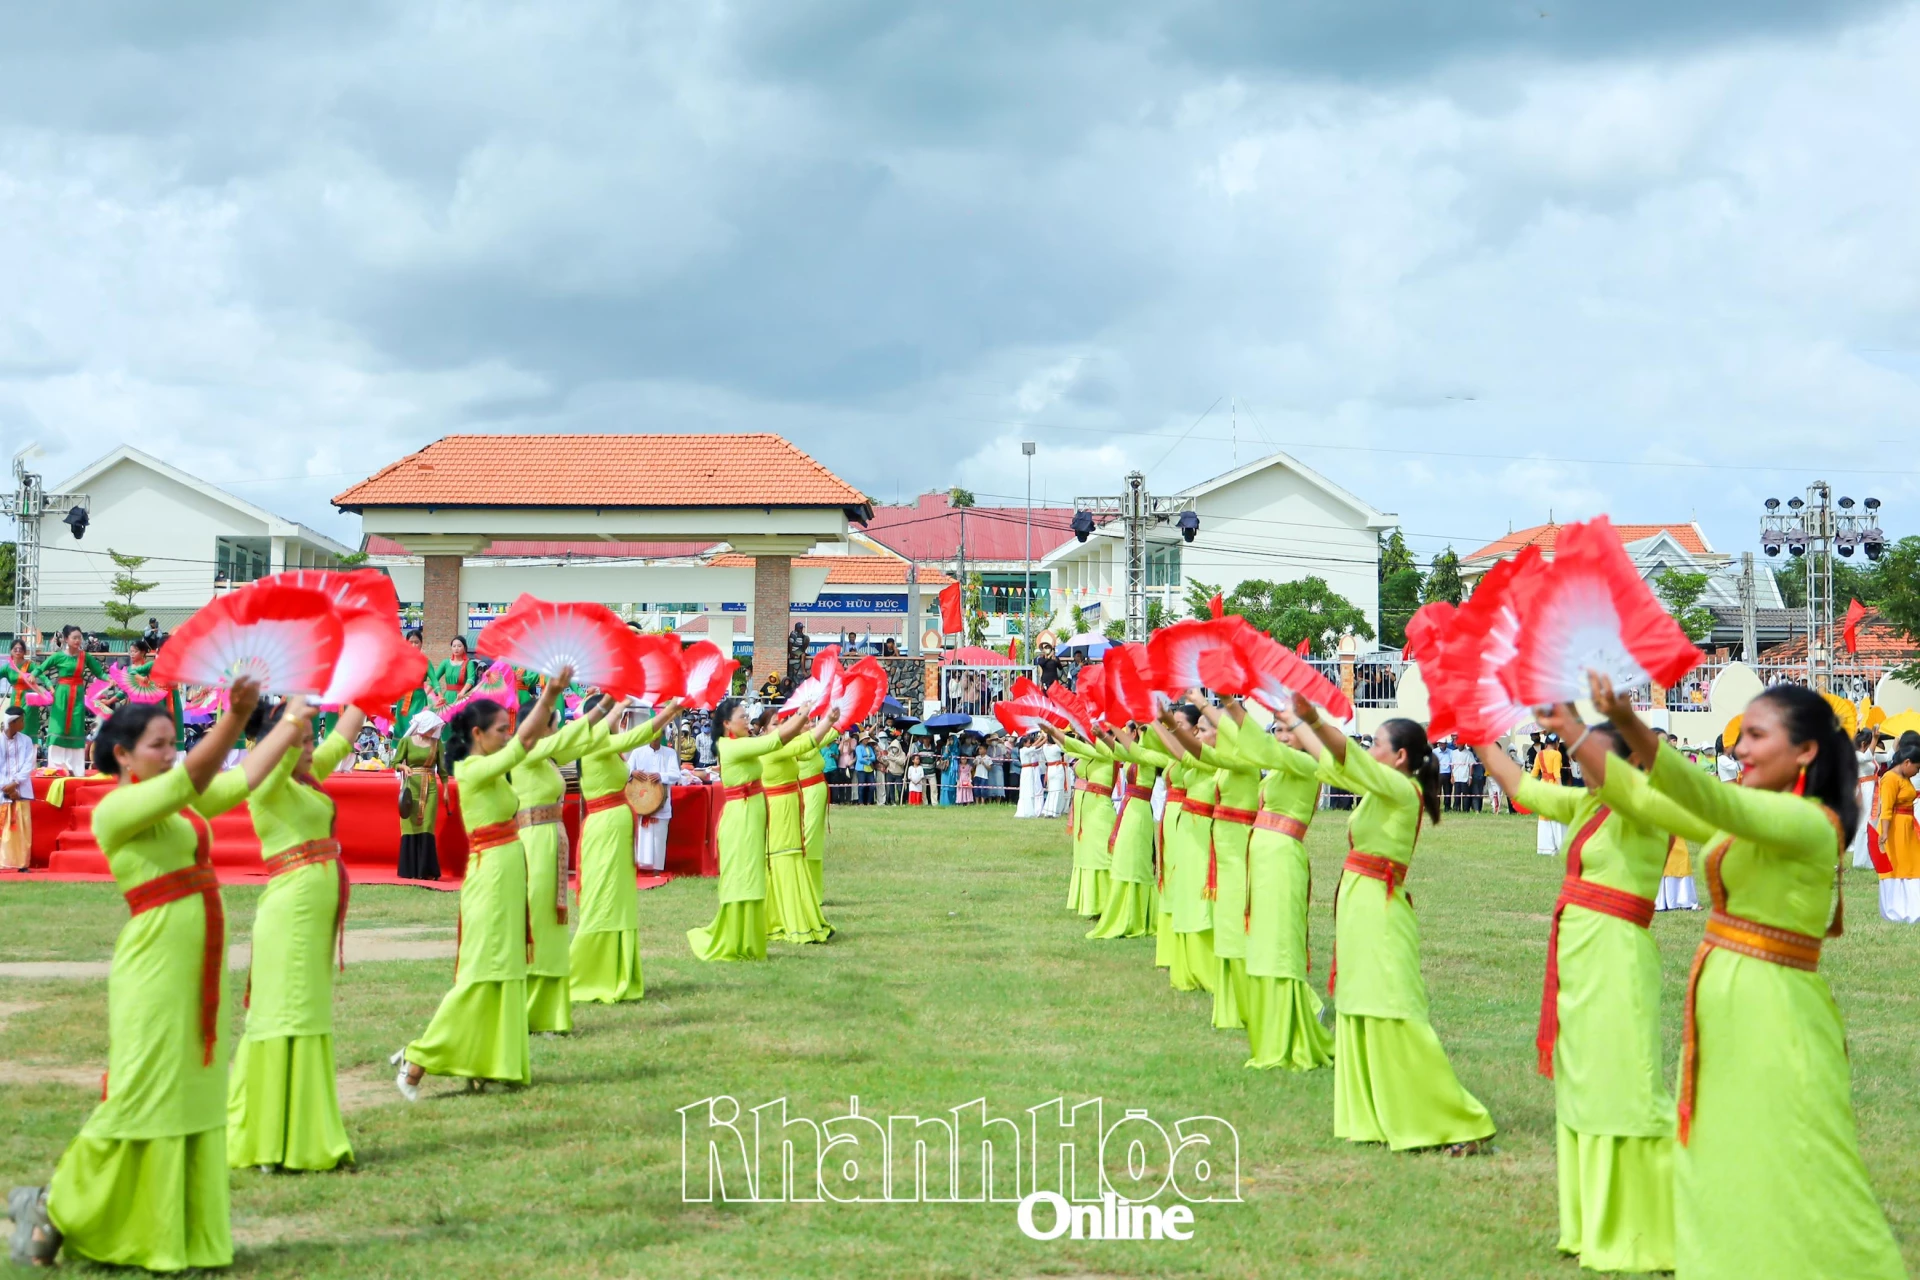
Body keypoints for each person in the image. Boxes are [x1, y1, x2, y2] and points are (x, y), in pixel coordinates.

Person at [1590, 674, 1905, 1280]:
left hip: (1778, 1015)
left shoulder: (1809, 823)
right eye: (1741, 737)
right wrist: (1580, 731)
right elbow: (1652, 802)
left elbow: (1716, 802)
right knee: (1721, 1155)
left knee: (1802, 1160)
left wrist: (1631, 726)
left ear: (1805, 750)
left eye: (1756, 736)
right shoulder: (1752, 818)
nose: (1740, 749)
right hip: (1729, 1011)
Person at [6, 677, 304, 1270]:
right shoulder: (118, 807)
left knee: (193, 1098)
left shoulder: (177, 800)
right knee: (141, 1096)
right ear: (121, 753)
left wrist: (295, 716)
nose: (170, 754)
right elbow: (194, 777)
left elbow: (244, 778)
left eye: (174, 743)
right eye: (158, 745)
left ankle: (176, 1231)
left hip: (197, 970)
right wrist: (235, 716)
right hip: (153, 968)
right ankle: (51, 1202)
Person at [1475, 704, 1704, 1273]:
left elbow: (1629, 788)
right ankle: (1593, 1222)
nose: (1577, 762)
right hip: (1579, 957)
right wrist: (1475, 731)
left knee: (1626, 1083)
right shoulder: (1587, 805)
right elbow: (1519, 784)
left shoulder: (1646, 806)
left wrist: (1573, 725)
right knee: (1583, 1084)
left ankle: (1656, 1226)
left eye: (1586, 754)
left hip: (1619, 956)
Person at [1281, 697, 1494, 1155]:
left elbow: (1347, 757)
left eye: (1377, 744)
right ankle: (1377, 1115)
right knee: (1359, 1005)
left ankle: (1458, 1122)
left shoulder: (1402, 790)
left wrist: (1313, 719)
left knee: (1394, 1010)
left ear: (1400, 757)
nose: (1369, 749)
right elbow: (1335, 763)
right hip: (1361, 904)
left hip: (1380, 909)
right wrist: (1296, 724)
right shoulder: (1379, 787)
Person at [393, 669, 568, 1100]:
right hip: (489, 874)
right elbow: (526, 743)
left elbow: (522, 746)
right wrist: (548, 694)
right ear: (477, 734)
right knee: (481, 971)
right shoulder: (471, 771)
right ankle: (417, 1060)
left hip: (509, 869)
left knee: (507, 969)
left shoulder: (491, 768)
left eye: (509, 729)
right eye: (500, 731)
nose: (508, 736)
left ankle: (492, 1064)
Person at [227, 700, 367, 1174]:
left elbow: (343, 737)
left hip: (309, 912)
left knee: (304, 1014)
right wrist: (296, 709)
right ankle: (271, 1141)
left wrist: (367, 687)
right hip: (291, 910)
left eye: (310, 741)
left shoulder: (304, 779)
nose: (311, 749)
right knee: (286, 1016)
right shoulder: (266, 784)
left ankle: (292, 1133)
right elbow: (287, 751)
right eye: (301, 741)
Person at [1211, 706, 1333, 1072]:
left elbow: (1262, 749)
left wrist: (1231, 705)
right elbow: (1249, 747)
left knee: (1279, 945)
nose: (1281, 737)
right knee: (1264, 943)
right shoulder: (1283, 765)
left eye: (1287, 730)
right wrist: (1212, 706)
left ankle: (1298, 1024)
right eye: (1277, 730)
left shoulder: (1306, 763)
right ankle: (1278, 1025)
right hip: (1263, 859)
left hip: (1281, 860)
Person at [687, 697, 821, 962]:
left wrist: (815, 720)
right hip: (741, 820)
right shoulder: (729, 747)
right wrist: (803, 715)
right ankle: (734, 938)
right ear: (727, 724)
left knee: (753, 877)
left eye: (747, 716)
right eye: (742, 717)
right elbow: (773, 741)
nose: (747, 720)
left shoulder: (742, 744)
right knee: (743, 878)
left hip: (752, 816)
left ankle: (749, 939)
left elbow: (779, 740)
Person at [1159, 698, 1259, 1032]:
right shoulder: (1222, 763)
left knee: (1232, 925)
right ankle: (1215, 981)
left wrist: (1202, 703)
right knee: (1215, 918)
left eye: (1203, 730)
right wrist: (1162, 723)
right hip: (1212, 840)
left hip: (1231, 849)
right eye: (1196, 729)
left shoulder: (1239, 762)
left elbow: (1188, 751)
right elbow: (1182, 753)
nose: (1198, 735)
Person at [511, 696, 605, 1034]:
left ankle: (547, 1013)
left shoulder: (547, 757)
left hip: (551, 840)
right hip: (534, 842)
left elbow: (582, 739)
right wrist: (604, 703)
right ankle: (522, 1009)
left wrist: (617, 704)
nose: (559, 727)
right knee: (536, 920)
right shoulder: (525, 751)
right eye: (554, 721)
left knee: (551, 927)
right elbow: (572, 736)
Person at [1152, 704, 1218, 995]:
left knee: (1198, 900)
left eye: (1203, 729)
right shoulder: (1198, 757)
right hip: (1185, 826)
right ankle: (1187, 964)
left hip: (1202, 833)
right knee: (1185, 896)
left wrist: (1161, 721)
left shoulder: (1217, 759)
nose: (1199, 734)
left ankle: (1207, 968)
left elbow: (1181, 752)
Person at [763, 715, 835, 945]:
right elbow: (808, 745)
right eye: (774, 724)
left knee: (800, 853)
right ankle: (786, 916)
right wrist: (836, 722)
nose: (809, 725)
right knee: (788, 856)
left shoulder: (783, 744)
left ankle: (804, 906)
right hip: (781, 805)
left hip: (794, 801)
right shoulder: (775, 746)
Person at [1038, 720, 1116, 920]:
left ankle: (1109, 903)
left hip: (1099, 810)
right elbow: (1074, 747)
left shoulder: (1108, 751)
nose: (1089, 735)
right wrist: (1053, 732)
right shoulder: (1090, 751)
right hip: (1085, 811)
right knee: (1086, 855)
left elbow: (1079, 746)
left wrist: (1055, 731)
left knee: (1100, 856)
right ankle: (1092, 905)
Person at [1090, 725, 1160, 941]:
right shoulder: (1136, 752)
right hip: (1129, 808)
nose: (1123, 731)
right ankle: (1125, 912)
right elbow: (1120, 751)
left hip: (1139, 811)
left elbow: (1133, 751)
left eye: (1128, 729)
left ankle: (1138, 917)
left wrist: (1110, 729)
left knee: (1134, 862)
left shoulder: (1149, 754)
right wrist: (1103, 735)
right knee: (1124, 859)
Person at [35, 626, 108, 775]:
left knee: (76, 725)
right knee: (59, 726)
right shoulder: (58, 656)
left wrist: (110, 679)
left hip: (77, 695)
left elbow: (99, 672)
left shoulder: (85, 656)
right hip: (62, 694)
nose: (77, 640)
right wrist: (33, 675)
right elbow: (40, 668)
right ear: (66, 639)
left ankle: (76, 769)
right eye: (74, 637)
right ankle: (55, 767)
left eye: (79, 637)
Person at [626, 712, 681, 874]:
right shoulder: (637, 752)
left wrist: (660, 776)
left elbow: (676, 775)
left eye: (658, 737)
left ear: (662, 736)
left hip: (661, 803)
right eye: (652, 736)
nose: (655, 740)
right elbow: (626, 770)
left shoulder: (669, 753)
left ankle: (657, 870)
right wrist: (633, 772)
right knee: (643, 836)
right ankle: (642, 868)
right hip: (642, 801)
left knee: (658, 837)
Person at [1875, 735, 1920, 924]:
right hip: (1893, 829)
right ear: (1907, 762)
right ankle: (1897, 911)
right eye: (1916, 768)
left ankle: (1912, 909)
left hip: (1907, 827)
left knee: (1912, 866)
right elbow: (1886, 809)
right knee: (1896, 868)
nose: (1917, 773)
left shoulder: (1904, 777)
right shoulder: (1890, 779)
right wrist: (1885, 833)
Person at [394, 710, 444, 880]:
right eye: (431, 727)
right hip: (411, 787)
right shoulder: (406, 742)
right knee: (409, 825)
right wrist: (403, 767)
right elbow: (395, 762)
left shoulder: (437, 743)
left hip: (430, 787)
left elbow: (442, 771)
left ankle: (426, 870)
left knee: (427, 826)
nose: (433, 731)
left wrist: (446, 791)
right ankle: (409, 870)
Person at [797, 724, 836, 899]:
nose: (812, 725)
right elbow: (814, 747)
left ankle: (814, 892)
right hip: (808, 792)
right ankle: (802, 889)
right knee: (808, 839)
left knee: (815, 843)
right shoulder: (799, 744)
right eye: (807, 722)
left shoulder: (809, 741)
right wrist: (839, 724)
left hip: (816, 791)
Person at [1, 708, 35, 872]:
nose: (24, 723)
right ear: (12, 723)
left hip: (21, 790)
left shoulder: (26, 741)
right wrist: (6, 787)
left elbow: (28, 764)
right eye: (21, 720)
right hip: (2, 791)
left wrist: (15, 783)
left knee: (21, 828)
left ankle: (22, 863)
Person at [5, 638, 44, 746]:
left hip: (29, 701)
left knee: (26, 725)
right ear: (11, 651)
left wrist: (50, 687)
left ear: (25, 651)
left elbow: (42, 675)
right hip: (15, 699)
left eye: (21, 649)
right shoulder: (8, 667)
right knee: (13, 723)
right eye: (15, 649)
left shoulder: (29, 665)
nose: (18, 651)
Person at [1531, 734, 1565, 855]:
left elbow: (1534, 773)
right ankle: (1560, 846)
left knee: (1544, 817)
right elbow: (1556, 773)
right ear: (1556, 743)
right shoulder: (1557, 754)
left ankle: (1545, 847)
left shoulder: (1539, 754)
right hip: (1553, 787)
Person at [1853, 729, 1881, 870]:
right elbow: (1866, 758)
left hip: (1873, 789)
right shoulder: (1856, 755)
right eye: (1871, 743)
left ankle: (1869, 860)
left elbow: (1888, 756)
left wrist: (1897, 740)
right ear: (1864, 743)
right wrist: (1875, 738)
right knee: (1865, 824)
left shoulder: (1871, 755)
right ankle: (1860, 861)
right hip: (1864, 791)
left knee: (1871, 823)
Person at [1015, 734, 1043, 818]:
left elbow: (1035, 747)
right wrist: (1042, 738)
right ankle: (1026, 810)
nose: (1030, 744)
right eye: (1028, 742)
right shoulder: (1023, 750)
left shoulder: (1027, 750)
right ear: (1024, 743)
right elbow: (1035, 746)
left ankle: (1030, 809)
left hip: (1029, 770)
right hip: (1026, 770)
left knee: (1030, 788)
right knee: (1026, 789)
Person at [1040, 737, 1069, 817]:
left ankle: (1048, 810)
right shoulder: (1056, 747)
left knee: (1051, 790)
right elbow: (1065, 749)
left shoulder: (1045, 747)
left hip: (1050, 769)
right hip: (1057, 769)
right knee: (1058, 790)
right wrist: (1057, 738)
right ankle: (1053, 812)